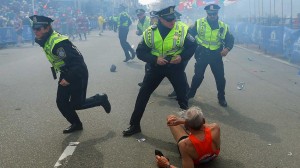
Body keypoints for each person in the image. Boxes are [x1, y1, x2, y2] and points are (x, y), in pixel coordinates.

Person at [122, 6, 197, 137]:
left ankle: (189, 127)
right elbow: (140, 52)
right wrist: (154, 59)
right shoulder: (150, 32)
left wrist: (182, 57)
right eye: (169, 19)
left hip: (175, 67)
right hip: (156, 68)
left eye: (173, 18)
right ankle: (134, 125)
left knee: (182, 98)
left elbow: (192, 45)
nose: (172, 21)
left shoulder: (181, 28)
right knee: (143, 95)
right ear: (160, 19)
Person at [29, 15, 111, 134]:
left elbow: (78, 63)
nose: (35, 31)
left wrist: (68, 78)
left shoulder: (58, 43)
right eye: (34, 29)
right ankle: (76, 124)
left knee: (77, 104)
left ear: (47, 28)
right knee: (61, 102)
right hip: (66, 71)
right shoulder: (46, 38)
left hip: (77, 74)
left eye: (38, 29)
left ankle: (101, 99)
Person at [187, 4, 234, 107]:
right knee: (198, 76)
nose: (212, 15)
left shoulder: (223, 26)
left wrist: (227, 49)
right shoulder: (199, 23)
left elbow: (230, 39)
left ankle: (221, 97)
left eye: (214, 13)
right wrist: (195, 44)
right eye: (210, 14)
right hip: (202, 53)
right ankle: (190, 94)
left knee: (220, 78)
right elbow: (189, 34)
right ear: (206, 13)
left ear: (217, 13)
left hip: (216, 55)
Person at [155, 106, 220, 168]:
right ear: (203, 120)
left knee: (171, 117)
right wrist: (183, 121)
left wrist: (167, 165)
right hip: (213, 155)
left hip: (197, 161)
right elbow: (202, 125)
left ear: (187, 126)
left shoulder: (184, 145)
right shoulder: (215, 128)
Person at [135, 8, 151, 87]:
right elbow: (140, 31)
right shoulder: (139, 22)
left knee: (149, 64)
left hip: (154, 42)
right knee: (150, 64)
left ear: (144, 14)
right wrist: (138, 32)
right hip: (147, 42)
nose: (139, 16)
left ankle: (146, 82)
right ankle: (147, 81)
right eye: (138, 15)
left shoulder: (149, 20)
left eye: (140, 14)